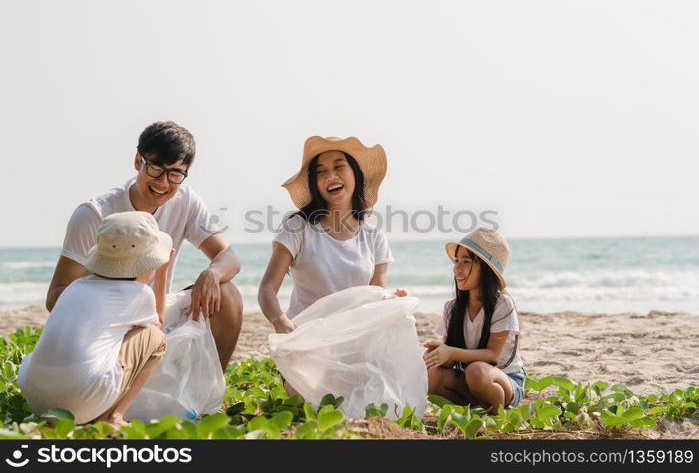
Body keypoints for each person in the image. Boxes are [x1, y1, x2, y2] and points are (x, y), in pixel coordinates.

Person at [45, 121, 243, 370]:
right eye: (155, 169)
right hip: (106, 321)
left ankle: (210, 390)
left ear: (185, 173)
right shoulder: (94, 213)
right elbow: (55, 297)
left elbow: (229, 256)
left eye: (175, 174)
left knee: (228, 294)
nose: (163, 182)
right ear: (138, 161)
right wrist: (112, 306)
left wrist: (212, 273)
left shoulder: (186, 202)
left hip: (156, 314)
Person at [19, 212, 172, 427]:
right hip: (79, 401)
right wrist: (163, 272)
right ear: (147, 265)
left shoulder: (75, 287)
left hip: (36, 398)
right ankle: (114, 416)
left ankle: (91, 410)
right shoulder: (138, 294)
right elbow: (159, 325)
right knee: (155, 337)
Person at [258, 135, 404, 336]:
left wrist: (391, 299)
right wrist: (280, 320)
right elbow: (266, 289)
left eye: (339, 167)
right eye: (321, 172)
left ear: (356, 173)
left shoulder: (374, 236)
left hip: (353, 336)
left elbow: (375, 299)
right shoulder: (297, 227)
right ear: (314, 183)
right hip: (307, 336)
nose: (331, 176)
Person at [424, 228, 526, 412]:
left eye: (466, 262)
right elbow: (451, 358)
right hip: (472, 380)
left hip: (505, 379)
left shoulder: (502, 304)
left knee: (476, 371)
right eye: (456, 261)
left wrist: (451, 352)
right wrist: (439, 354)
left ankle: (496, 412)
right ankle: (477, 408)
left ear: (486, 269)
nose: (457, 269)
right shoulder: (452, 307)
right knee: (432, 374)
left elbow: (492, 356)